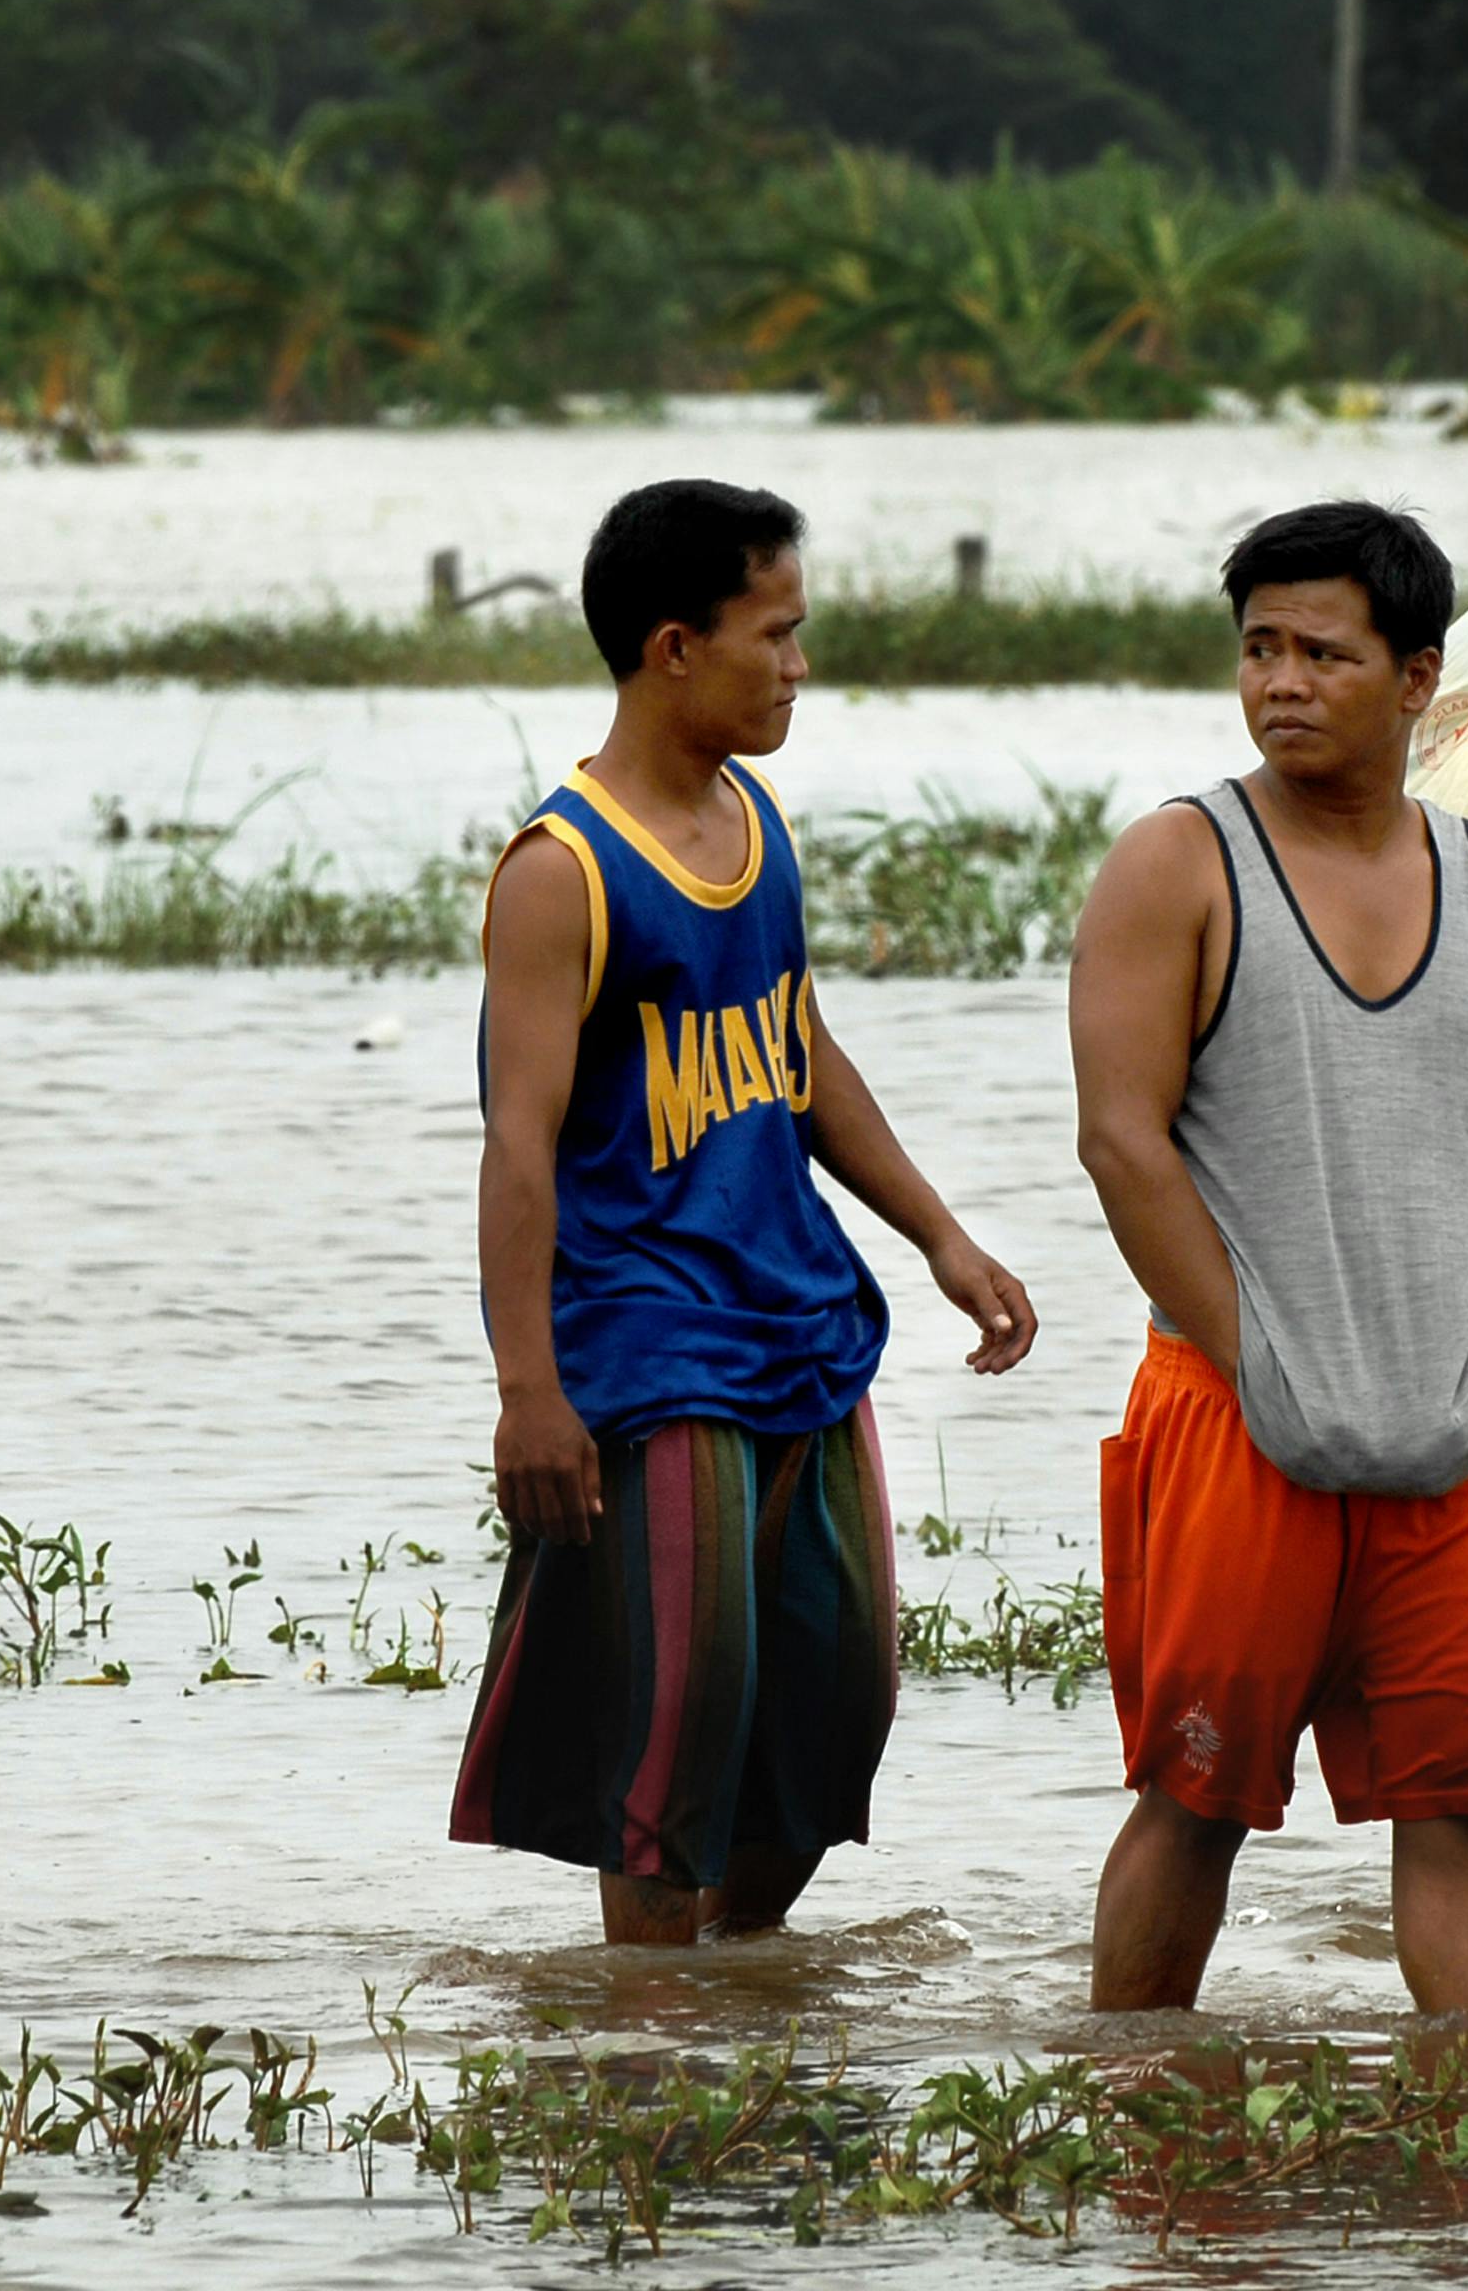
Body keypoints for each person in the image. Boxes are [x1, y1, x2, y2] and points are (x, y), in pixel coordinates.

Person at [449, 478, 1039, 1946]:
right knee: (673, 1739)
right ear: (671, 649)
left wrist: (940, 1236)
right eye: (773, 635)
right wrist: (530, 1392)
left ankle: (736, 1994)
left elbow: (799, 1049)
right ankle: (646, 2067)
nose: (797, 666)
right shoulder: (561, 869)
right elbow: (516, 1149)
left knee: (841, 1715)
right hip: (652, 1350)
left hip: (802, 1325)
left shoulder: (753, 814)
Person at [1069, 500, 1468, 2024]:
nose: (1282, 682)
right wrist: (1255, 1360)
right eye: (1260, 649)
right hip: (1234, 1421)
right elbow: (1122, 1140)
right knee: (1197, 1799)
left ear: (1421, 678)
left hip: (1445, 1432)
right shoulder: (1180, 864)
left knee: (1464, 1817)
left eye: (1324, 654)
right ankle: (1132, 2112)